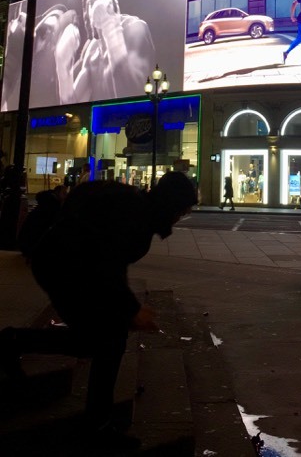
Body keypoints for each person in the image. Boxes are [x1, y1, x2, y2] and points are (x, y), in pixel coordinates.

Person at [0, 171, 198, 452]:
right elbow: (108, 265)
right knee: (107, 339)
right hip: (63, 268)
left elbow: (104, 257)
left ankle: (14, 342)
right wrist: (132, 310)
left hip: (66, 264)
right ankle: (97, 426)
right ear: (171, 204)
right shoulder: (137, 218)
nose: (182, 216)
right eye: (183, 209)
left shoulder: (138, 208)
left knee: (100, 339)